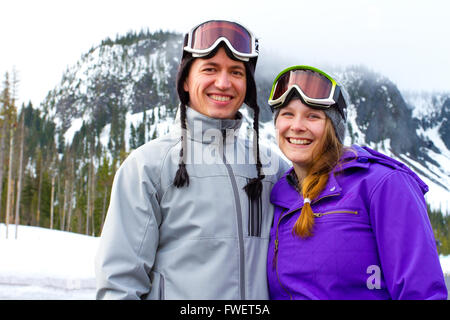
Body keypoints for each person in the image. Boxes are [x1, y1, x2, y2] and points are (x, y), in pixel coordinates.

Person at [94, 20, 289, 299]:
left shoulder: (272, 167)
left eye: (236, 72)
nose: (223, 83)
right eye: (210, 69)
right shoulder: (148, 166)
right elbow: (119, 283)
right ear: (186, 80)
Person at [266, 65, 448, 300]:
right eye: (287, 114)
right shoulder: (279, 194)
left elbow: (422, 294)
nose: (297, 126)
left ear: (333, 128)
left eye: (313, 116)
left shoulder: (383, 184)